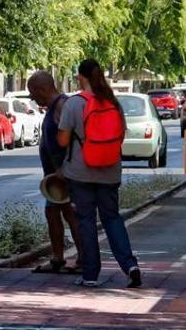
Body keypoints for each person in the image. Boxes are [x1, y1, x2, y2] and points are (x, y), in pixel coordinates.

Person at [58, 59, 142, 288]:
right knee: (112, 218)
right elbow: (120, 137)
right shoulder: (113, 102)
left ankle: (91, 275)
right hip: (110, 171)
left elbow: (63, 140)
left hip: (81, 172)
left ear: (80, 77)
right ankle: (130, 266)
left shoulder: (74, 104)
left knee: (86, 221)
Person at [26, 70, 85, 274]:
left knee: (71, 214)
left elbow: (73, 138)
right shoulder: (55, 107)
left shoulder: (62, 106)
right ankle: (58, 258)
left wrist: (65, 167)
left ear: (43, 89)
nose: (32, 98)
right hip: (55, 176)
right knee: (52, 213)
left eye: (33, 93)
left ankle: (84, 258)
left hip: (64, 175)